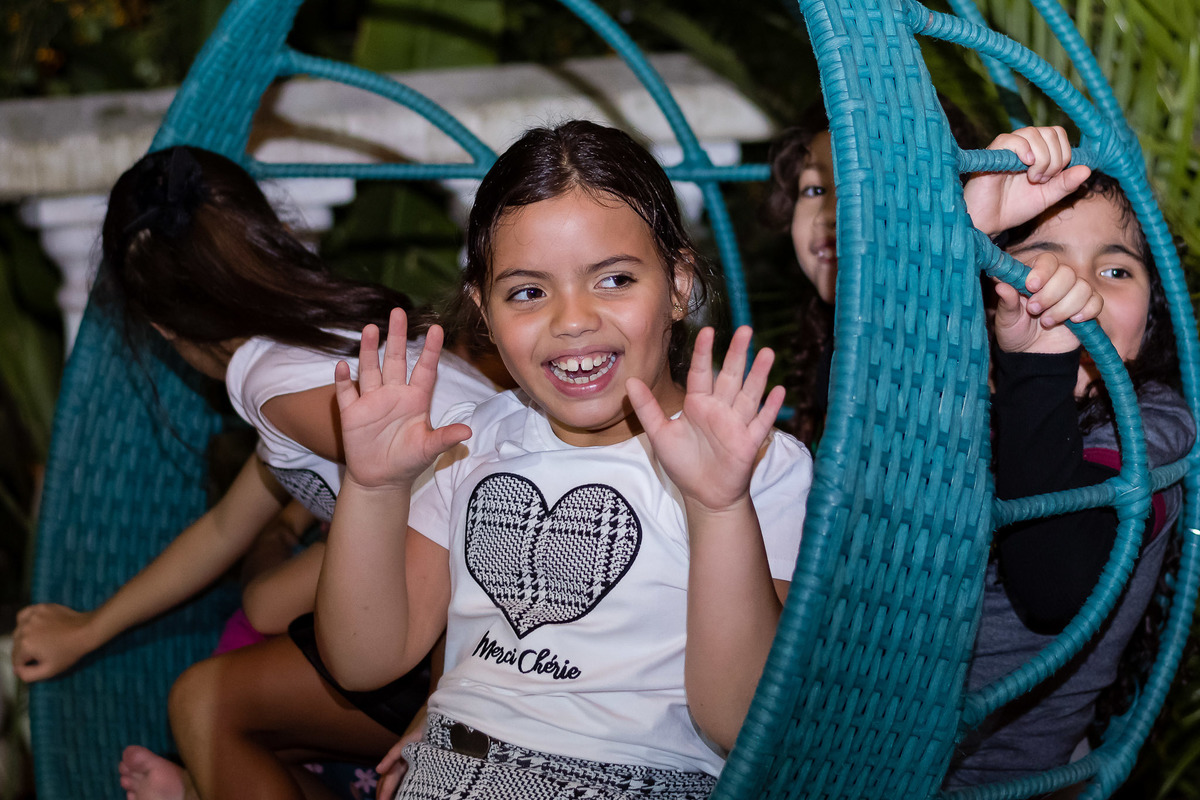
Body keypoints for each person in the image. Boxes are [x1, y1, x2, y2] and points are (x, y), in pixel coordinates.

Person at [313, 120, 813, 798]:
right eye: (527, 292)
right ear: (483, 314)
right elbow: (362, 661)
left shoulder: (758, 465)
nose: (572, 319)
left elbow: (739, 725)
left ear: (677, 284)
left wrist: (719, 507)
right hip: (449, 768)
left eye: (613, 279)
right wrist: (372, 487)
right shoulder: (469, 439)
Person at [8, 146, 508, 799]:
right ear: (262, 235)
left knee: (204, 703)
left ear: (161, 326)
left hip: (470, 637)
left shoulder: (269, 384)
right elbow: (225, 528)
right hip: (481, 611)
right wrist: (89, 629)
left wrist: (303, 580)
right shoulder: (323, 328)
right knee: (256, 691)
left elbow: (448, 473)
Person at [941, 128, 1196, 786]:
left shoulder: (1153, 425)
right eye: (1039, 259)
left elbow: (1052, 586)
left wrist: (1038, 370)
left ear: (1151, 313)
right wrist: (968, 226)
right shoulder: (946, 394)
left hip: (1008, 781)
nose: (1076, 288)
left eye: (1116, 270)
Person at [762, 98, 985, 444]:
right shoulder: (824, 337)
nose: (830, 214)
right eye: (815, 190)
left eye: (862, 189)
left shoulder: (965, 336)